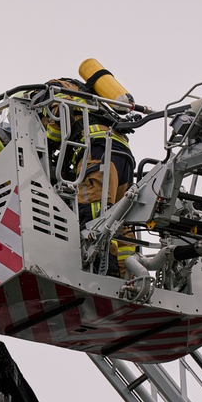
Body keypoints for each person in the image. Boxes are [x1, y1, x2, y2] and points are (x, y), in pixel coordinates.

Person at [40, 62, 138, 278]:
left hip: (97, 151)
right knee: (121, 218)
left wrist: (47, 145)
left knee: (95, 211)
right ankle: (128, 277)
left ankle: (104, 274)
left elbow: (57, 122)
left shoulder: (53, 93)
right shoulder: (90, 96)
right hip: (123, 153)